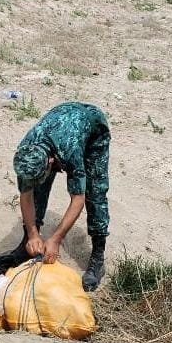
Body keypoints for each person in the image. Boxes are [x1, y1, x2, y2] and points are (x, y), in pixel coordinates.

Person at [12, 102, 111, 291]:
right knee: (37, 189)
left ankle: (98, 255)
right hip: (60, 122)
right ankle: (28, 240)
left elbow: (78, 199)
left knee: (95, 191)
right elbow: (26, 195)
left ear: (50, 161)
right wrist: (33, 234)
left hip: (92, 130)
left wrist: (56, 239)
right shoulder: (26, 153)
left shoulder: (70, 149)